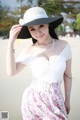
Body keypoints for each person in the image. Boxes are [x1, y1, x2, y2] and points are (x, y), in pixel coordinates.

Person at [6, 7, 72, 120]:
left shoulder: (64, 45)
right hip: (33, 102)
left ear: (48, 25)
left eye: (41, 25)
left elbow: (68, 75)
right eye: (32, 29)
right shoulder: (29, 50)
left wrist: (67, 100)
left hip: (57, 100)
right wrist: (11, 43)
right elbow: (11, 72)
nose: (38, 32)